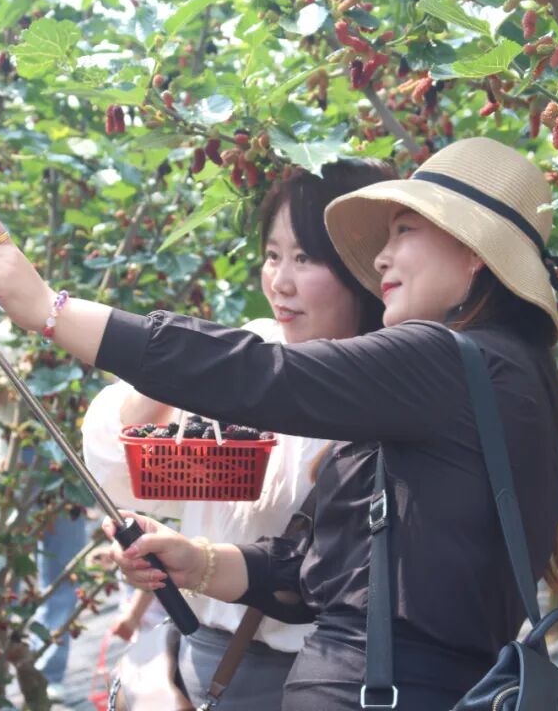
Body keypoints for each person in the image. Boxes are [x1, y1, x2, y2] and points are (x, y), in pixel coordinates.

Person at [0, 137, 558, 710]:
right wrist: (199, 561)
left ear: (473, 253)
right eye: (274, 255)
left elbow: (256, 375)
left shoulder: (447, 364)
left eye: (403, 232)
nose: (382, 259)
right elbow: (323, 576)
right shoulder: (482, 377)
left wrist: (50, 309)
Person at [82, 160, 394, 709]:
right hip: (204, 667)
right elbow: (117, 468)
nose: (280, 281)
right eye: (273, 255)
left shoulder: (392, 397)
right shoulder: (249, 354)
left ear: (365, 266)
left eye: (306, 257)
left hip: (318, 682)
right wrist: (165, 374)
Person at [0, 296, 88, 703]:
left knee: (62, 569)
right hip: (13, 467)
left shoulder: (66, 333)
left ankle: (50, 674)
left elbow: (92, 389)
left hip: (62, 471)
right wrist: (14, 378)